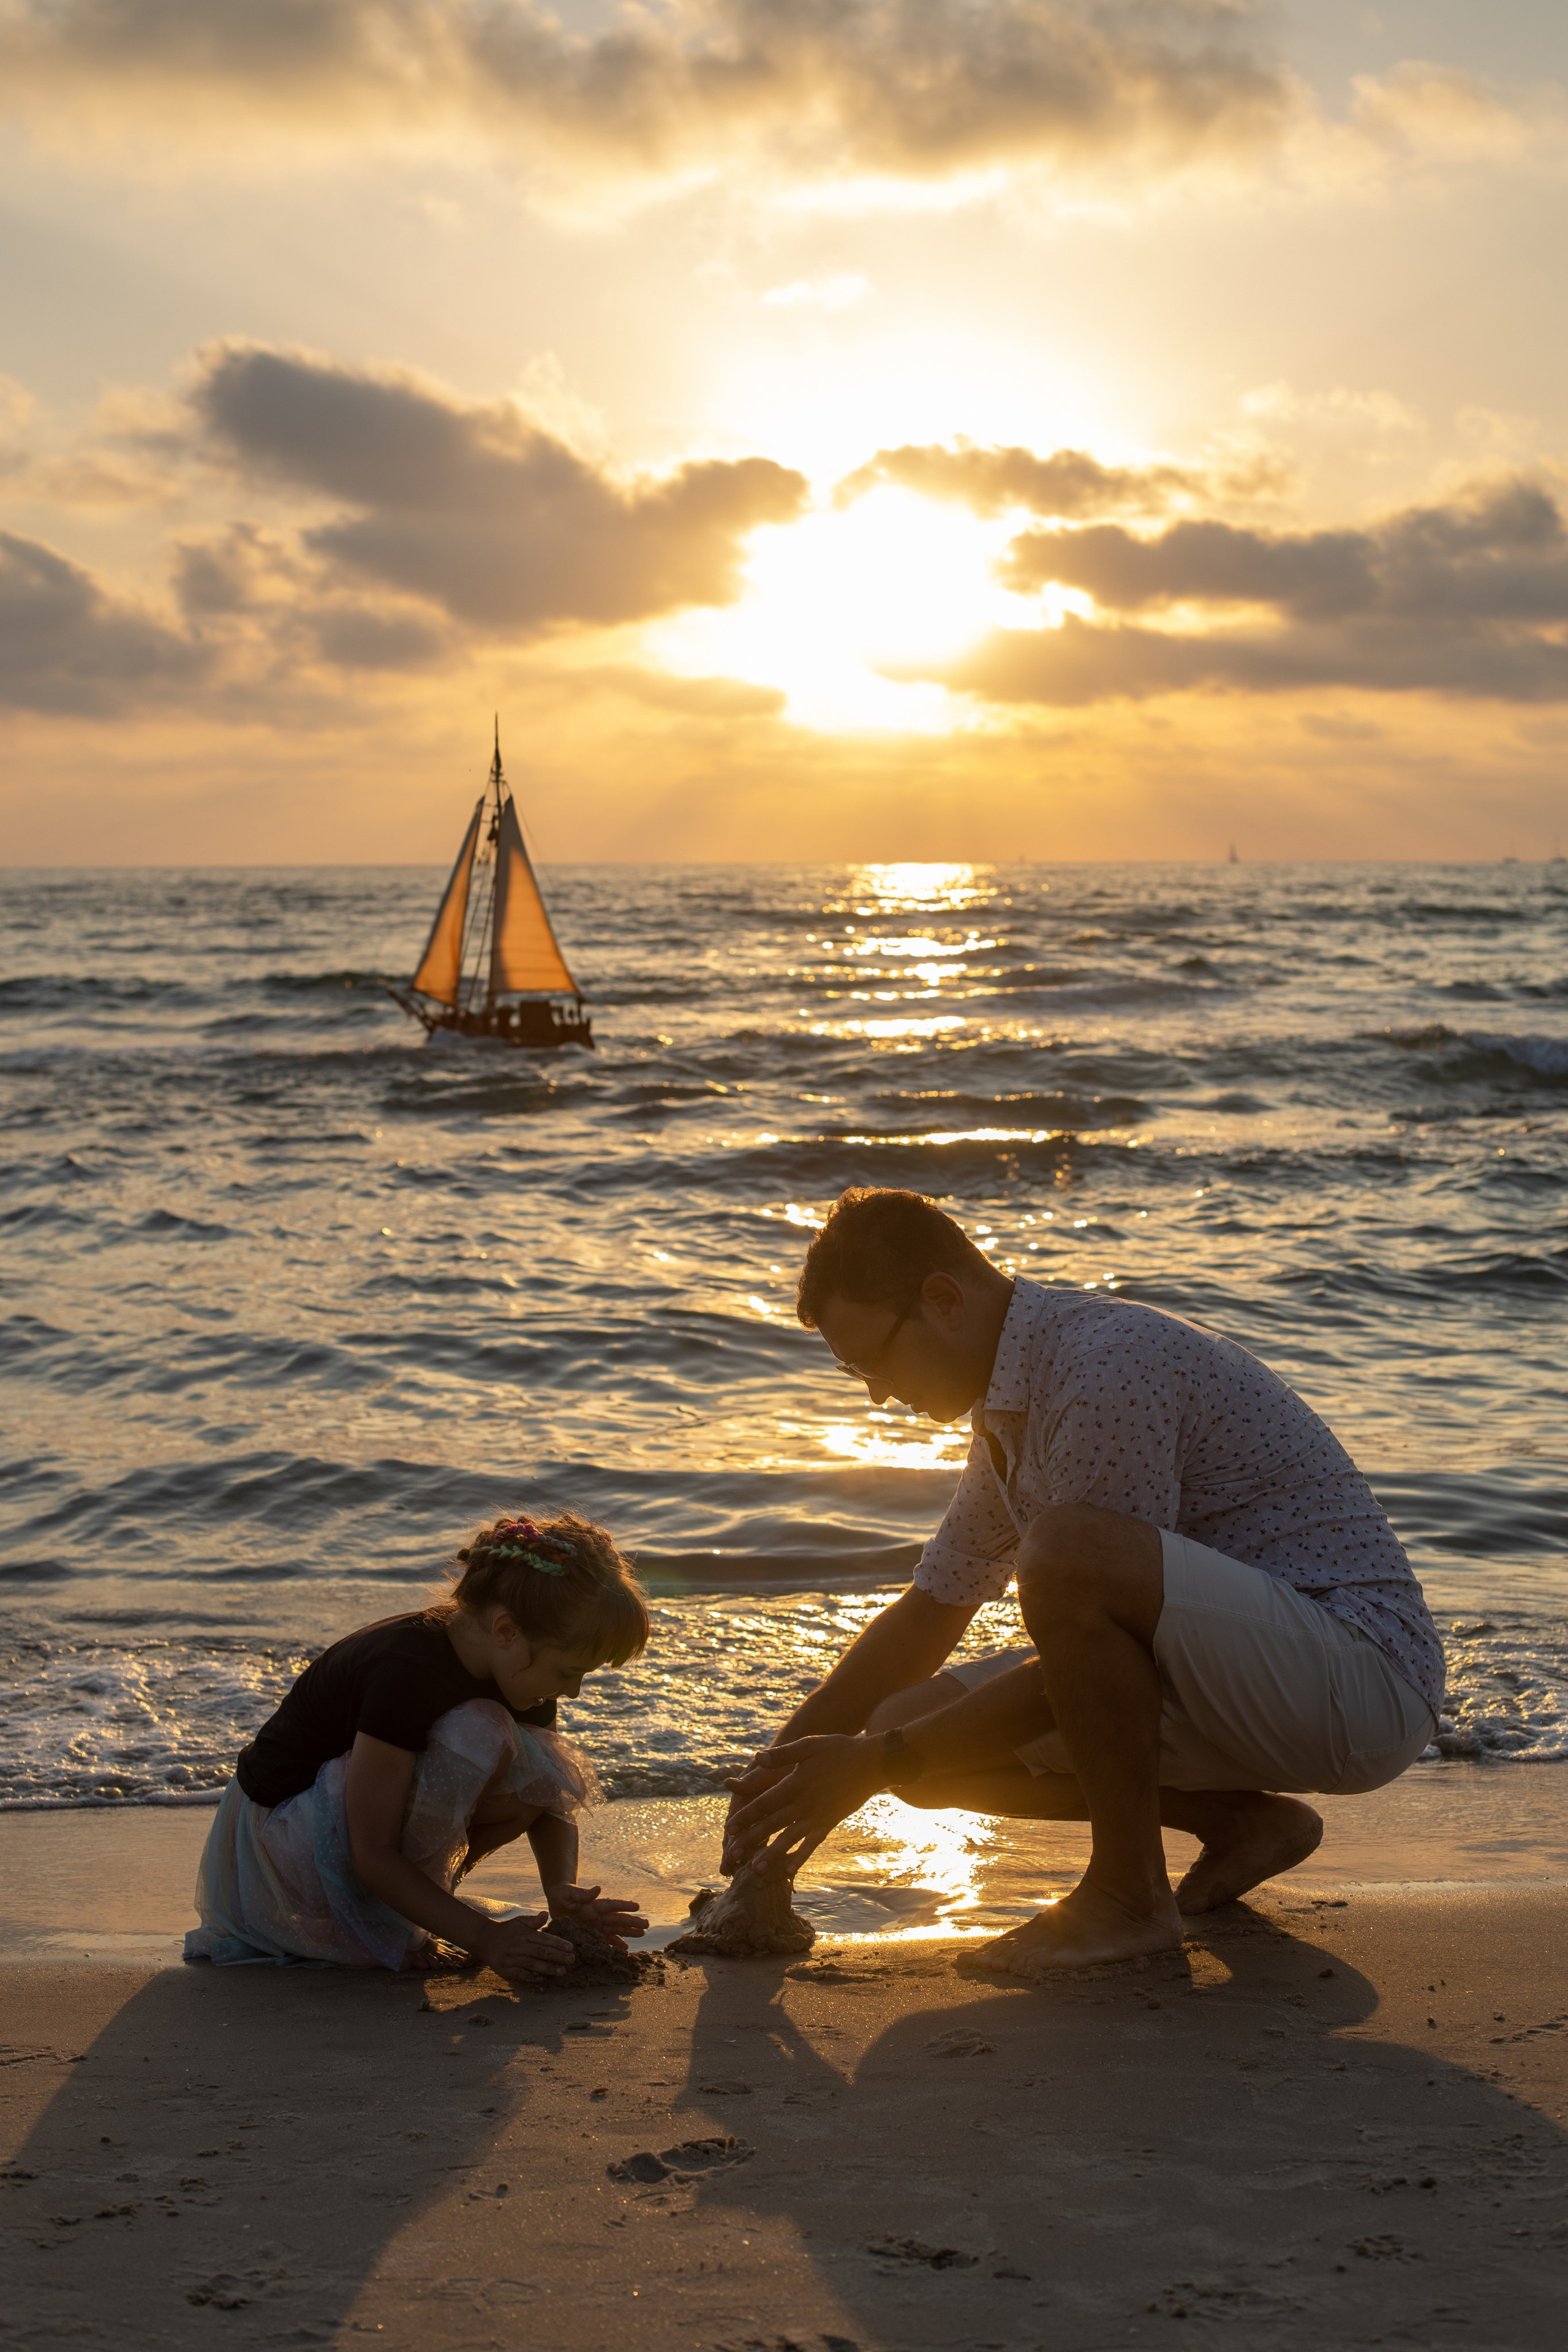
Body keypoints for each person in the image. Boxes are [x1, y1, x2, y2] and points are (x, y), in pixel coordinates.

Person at [723, 1188, 1442, 1973]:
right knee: (915, 1719)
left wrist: (876, 1761)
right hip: (1243, 1686)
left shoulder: (1104, 1368)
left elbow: (1092, 1607)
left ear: (942, 1300)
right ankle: (1242, 1824)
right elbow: (931, 1611)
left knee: (1057, 1562)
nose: (875, 1394)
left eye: (871, 1361)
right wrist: (775, 1780)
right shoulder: (1008, 1407)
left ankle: (1128, 1895)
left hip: (1359, 1679)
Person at [185, 1510, 650, 1978]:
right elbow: (373, 1852)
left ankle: (405, 1910)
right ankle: (387, 1921)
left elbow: (547, 1794)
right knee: (481, 1730)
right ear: (506, 1631)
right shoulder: (405, 1670)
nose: (571, 1692)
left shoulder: (518, 1672)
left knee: (540, 1762)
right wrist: (484, 1937)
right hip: (274, 1852)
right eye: (568, 1672)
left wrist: (560, 1889)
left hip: (340, 1837)